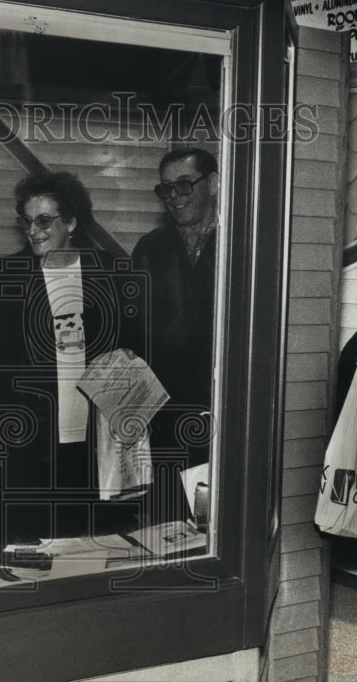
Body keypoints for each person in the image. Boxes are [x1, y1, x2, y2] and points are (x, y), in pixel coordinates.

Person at [0, 170, 142, 544]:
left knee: (94, 544)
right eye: (26, 221)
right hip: (29, 441)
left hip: (96, 442)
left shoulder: (109, 271)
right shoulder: (1, 276)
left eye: (45, 220)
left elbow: (133, 353)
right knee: (30, 545)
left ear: (72, 221)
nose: (34, 230)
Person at [131, 148, 218, 515]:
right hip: (163, 419)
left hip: (221, 414)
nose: (173, 199)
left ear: (213, 184)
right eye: (166, 189)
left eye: (183, 186)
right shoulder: (151, 249)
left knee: (214, 521)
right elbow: (132, 334)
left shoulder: (242, 245)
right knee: (164, 523)